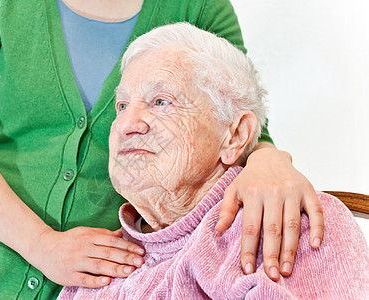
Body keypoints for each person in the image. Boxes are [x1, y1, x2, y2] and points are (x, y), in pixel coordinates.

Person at [0, 0, 324, 298]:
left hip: (113, 278)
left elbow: (234, 110)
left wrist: (270, 158)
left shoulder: (200, 6)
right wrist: (40, 244)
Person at [58, 22, 369, 299]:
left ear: (234, 135)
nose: (126, 125)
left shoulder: (293, 227)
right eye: (122, 105)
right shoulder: (94, 267)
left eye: (161, 101)